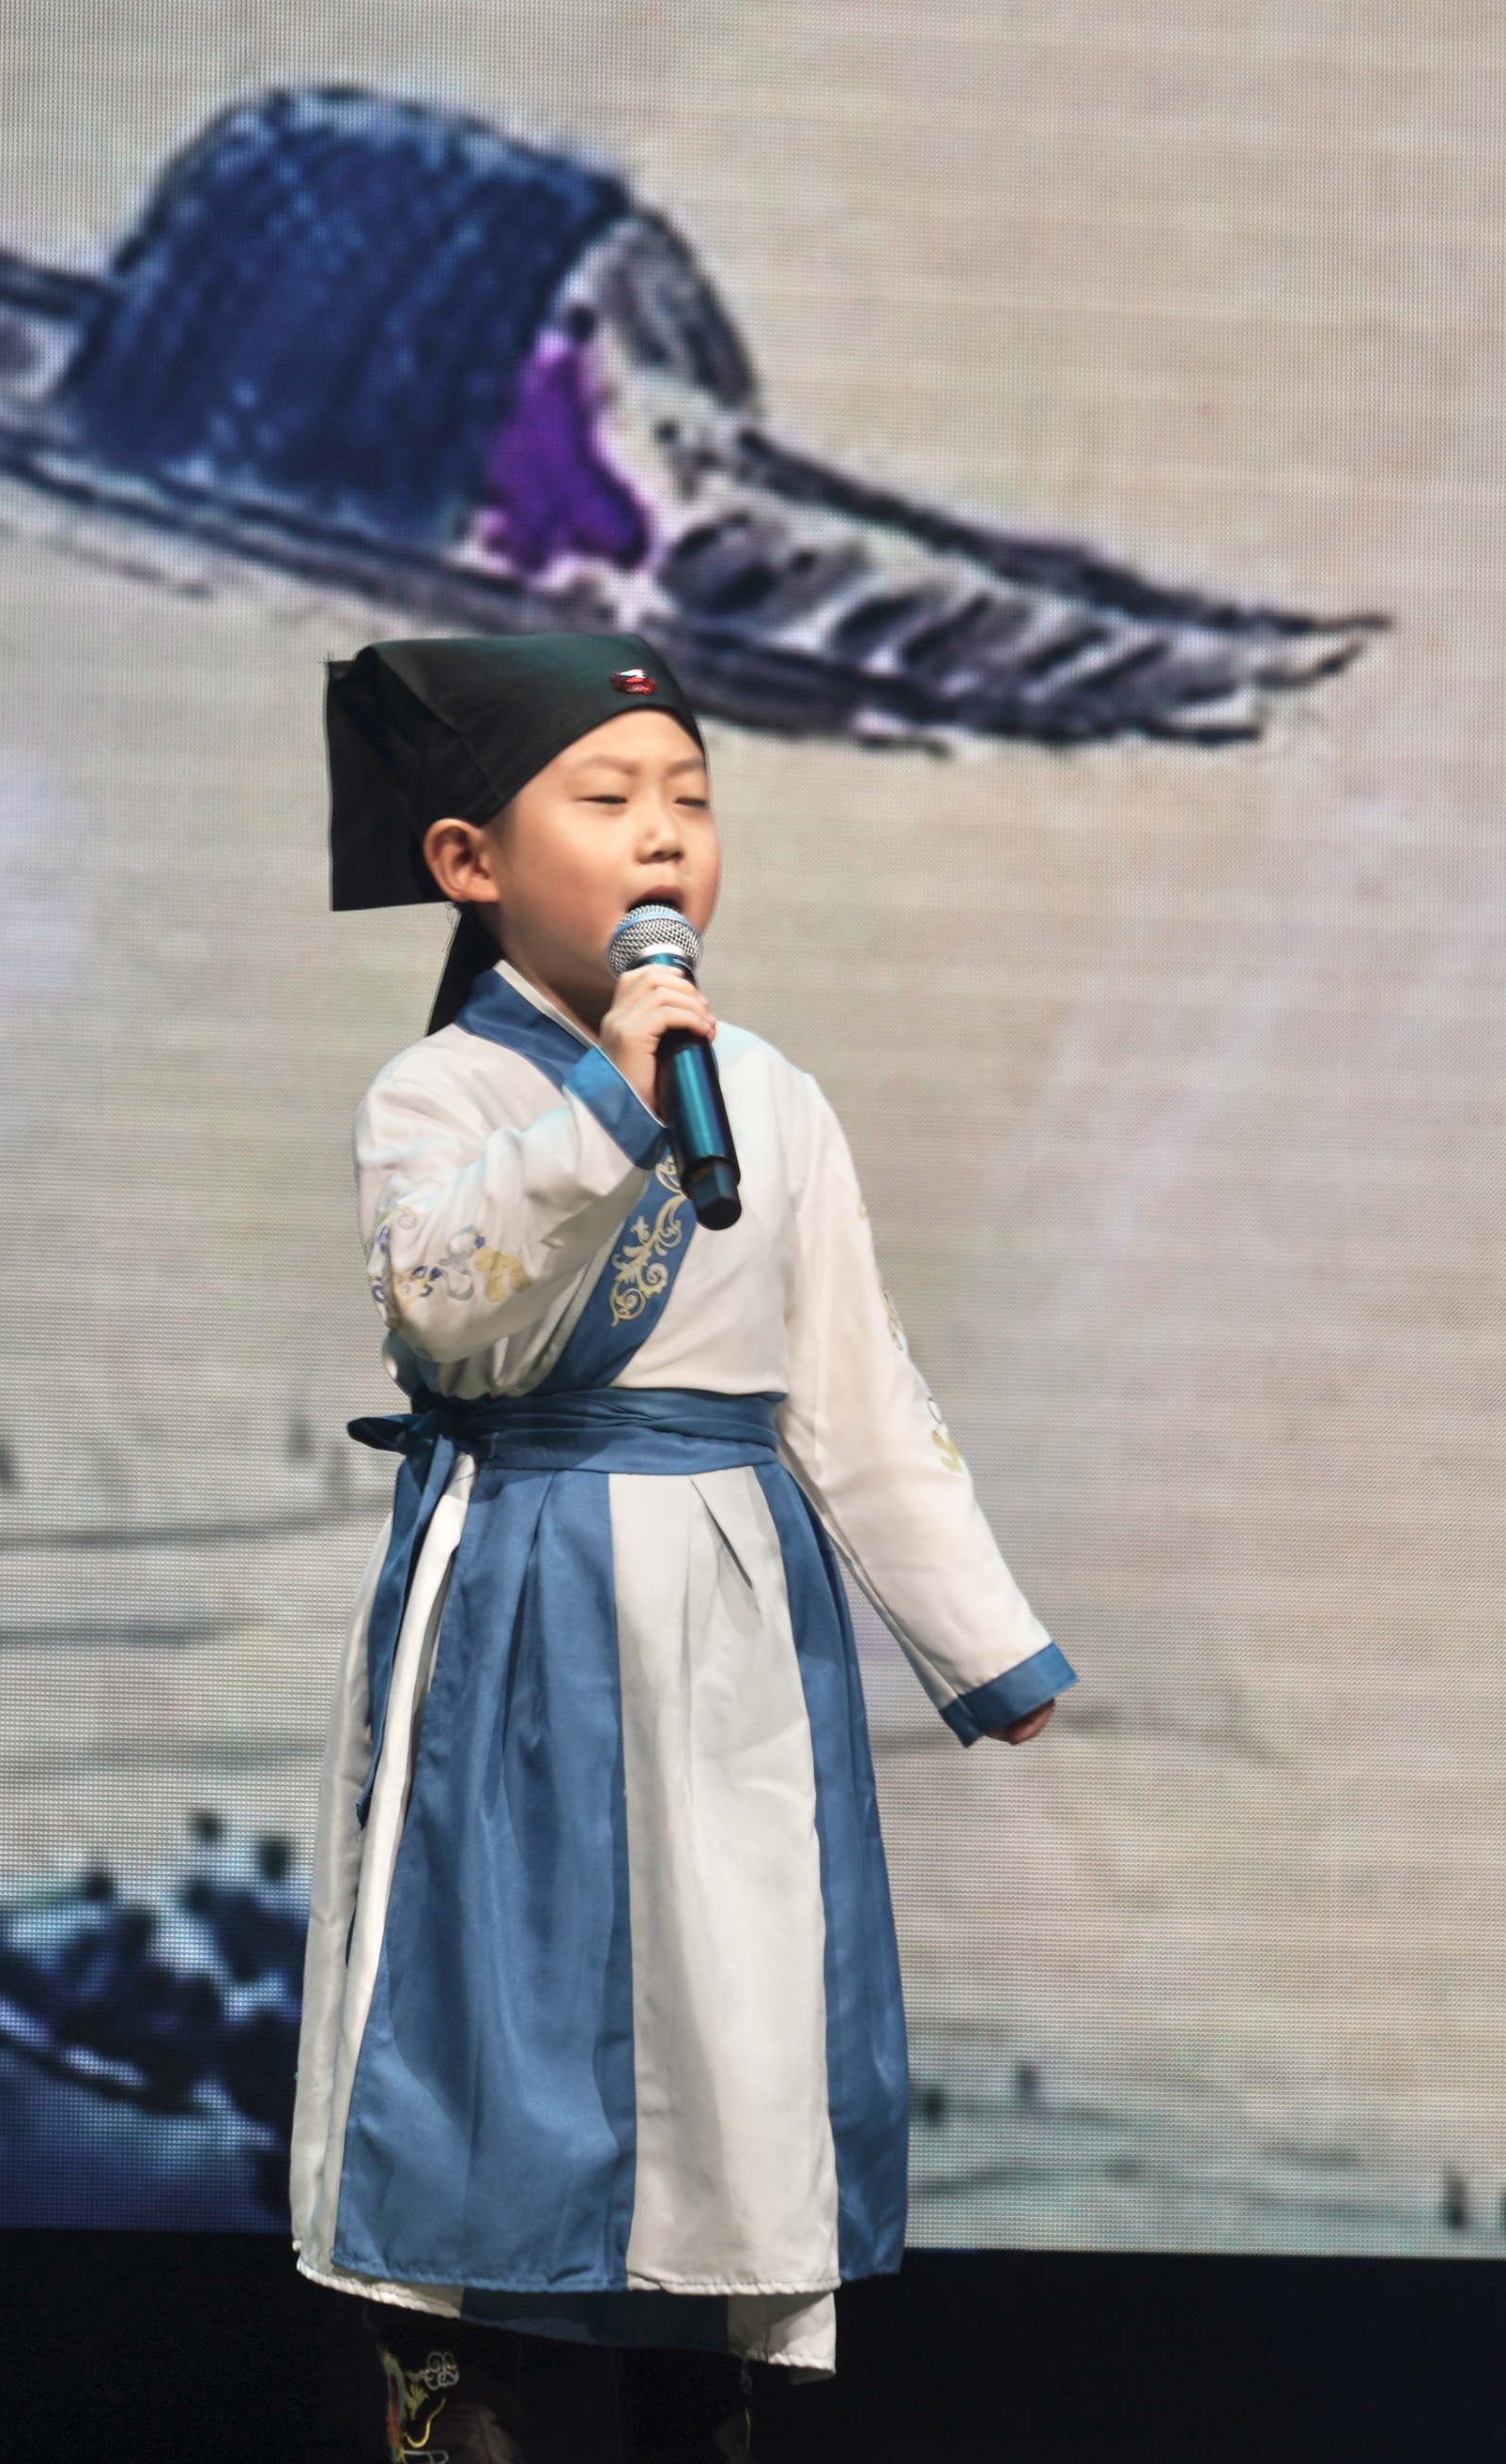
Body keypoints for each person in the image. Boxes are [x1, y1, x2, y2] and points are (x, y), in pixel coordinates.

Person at [294, 633, 1075, 2461]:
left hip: (732, 1614)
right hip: (520, 1593)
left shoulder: (773, 1098)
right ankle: (461, 2394)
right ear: (467, 861)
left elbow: (856, 1395)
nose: (664, 838)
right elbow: (444, 1307)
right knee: (491, 2010)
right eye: (609, 799)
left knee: (732, 2010)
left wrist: (985, 1646)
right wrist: (609, 1108)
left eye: (691, 802)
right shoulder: (439, 1096)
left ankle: (710, 2393)